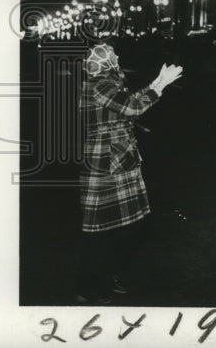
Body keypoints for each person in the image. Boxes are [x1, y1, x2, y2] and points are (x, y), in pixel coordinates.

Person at [76, 42, 183, 304]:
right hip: (107, 165)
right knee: (108, 231)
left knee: (120, 228)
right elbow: (133, 107)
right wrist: (160, 85)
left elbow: (129, 103)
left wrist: (157, 82)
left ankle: (100, 277)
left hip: (115, 162)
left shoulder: (103, 84)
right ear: (104, 62)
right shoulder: (100, 85)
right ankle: (92, 286)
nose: (117, 57)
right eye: (112, 55)